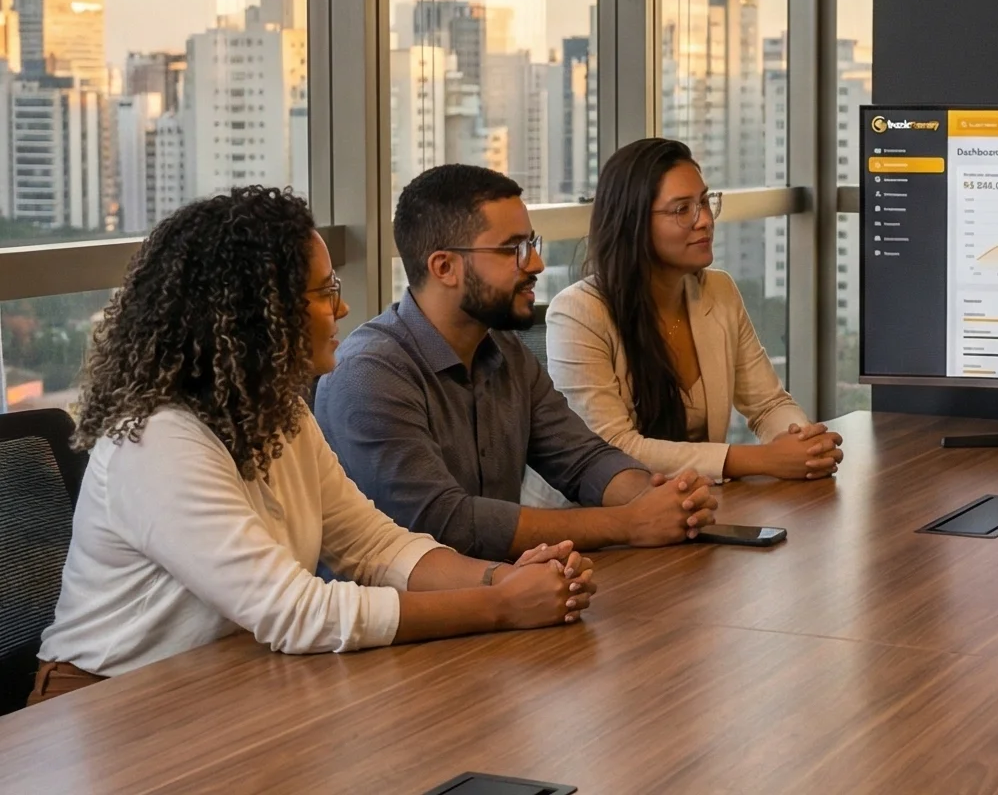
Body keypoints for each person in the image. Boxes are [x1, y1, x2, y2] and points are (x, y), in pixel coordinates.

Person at [31, 188, 595, 705]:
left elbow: (374, 546)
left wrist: (501, 578)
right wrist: (499, 606)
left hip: (229, 683)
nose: (342, 309)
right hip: (111, 706)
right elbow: (295, 612)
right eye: (326, 292)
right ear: (256, 312)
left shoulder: (279, 412)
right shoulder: (157, 439)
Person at [315, 165, 718, 563]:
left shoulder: (504, 348)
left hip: (510, 588)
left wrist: (661, 499)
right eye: (514, 250)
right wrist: (627, 523)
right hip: (408, 603)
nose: (536, 263)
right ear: (444, 268)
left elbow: (582, 458)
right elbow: (445, 522)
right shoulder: (369, 373)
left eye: (532, 243)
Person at [545, 138, 842, 481]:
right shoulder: (577, 313)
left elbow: (768, 404)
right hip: (596, 510)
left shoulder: (720, 291)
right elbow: (612, 448)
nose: (704, 221)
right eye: (682, 209)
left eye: (704, 201)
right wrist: (762, 460)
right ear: (633, 222)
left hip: (696, 502)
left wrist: (804, 445)